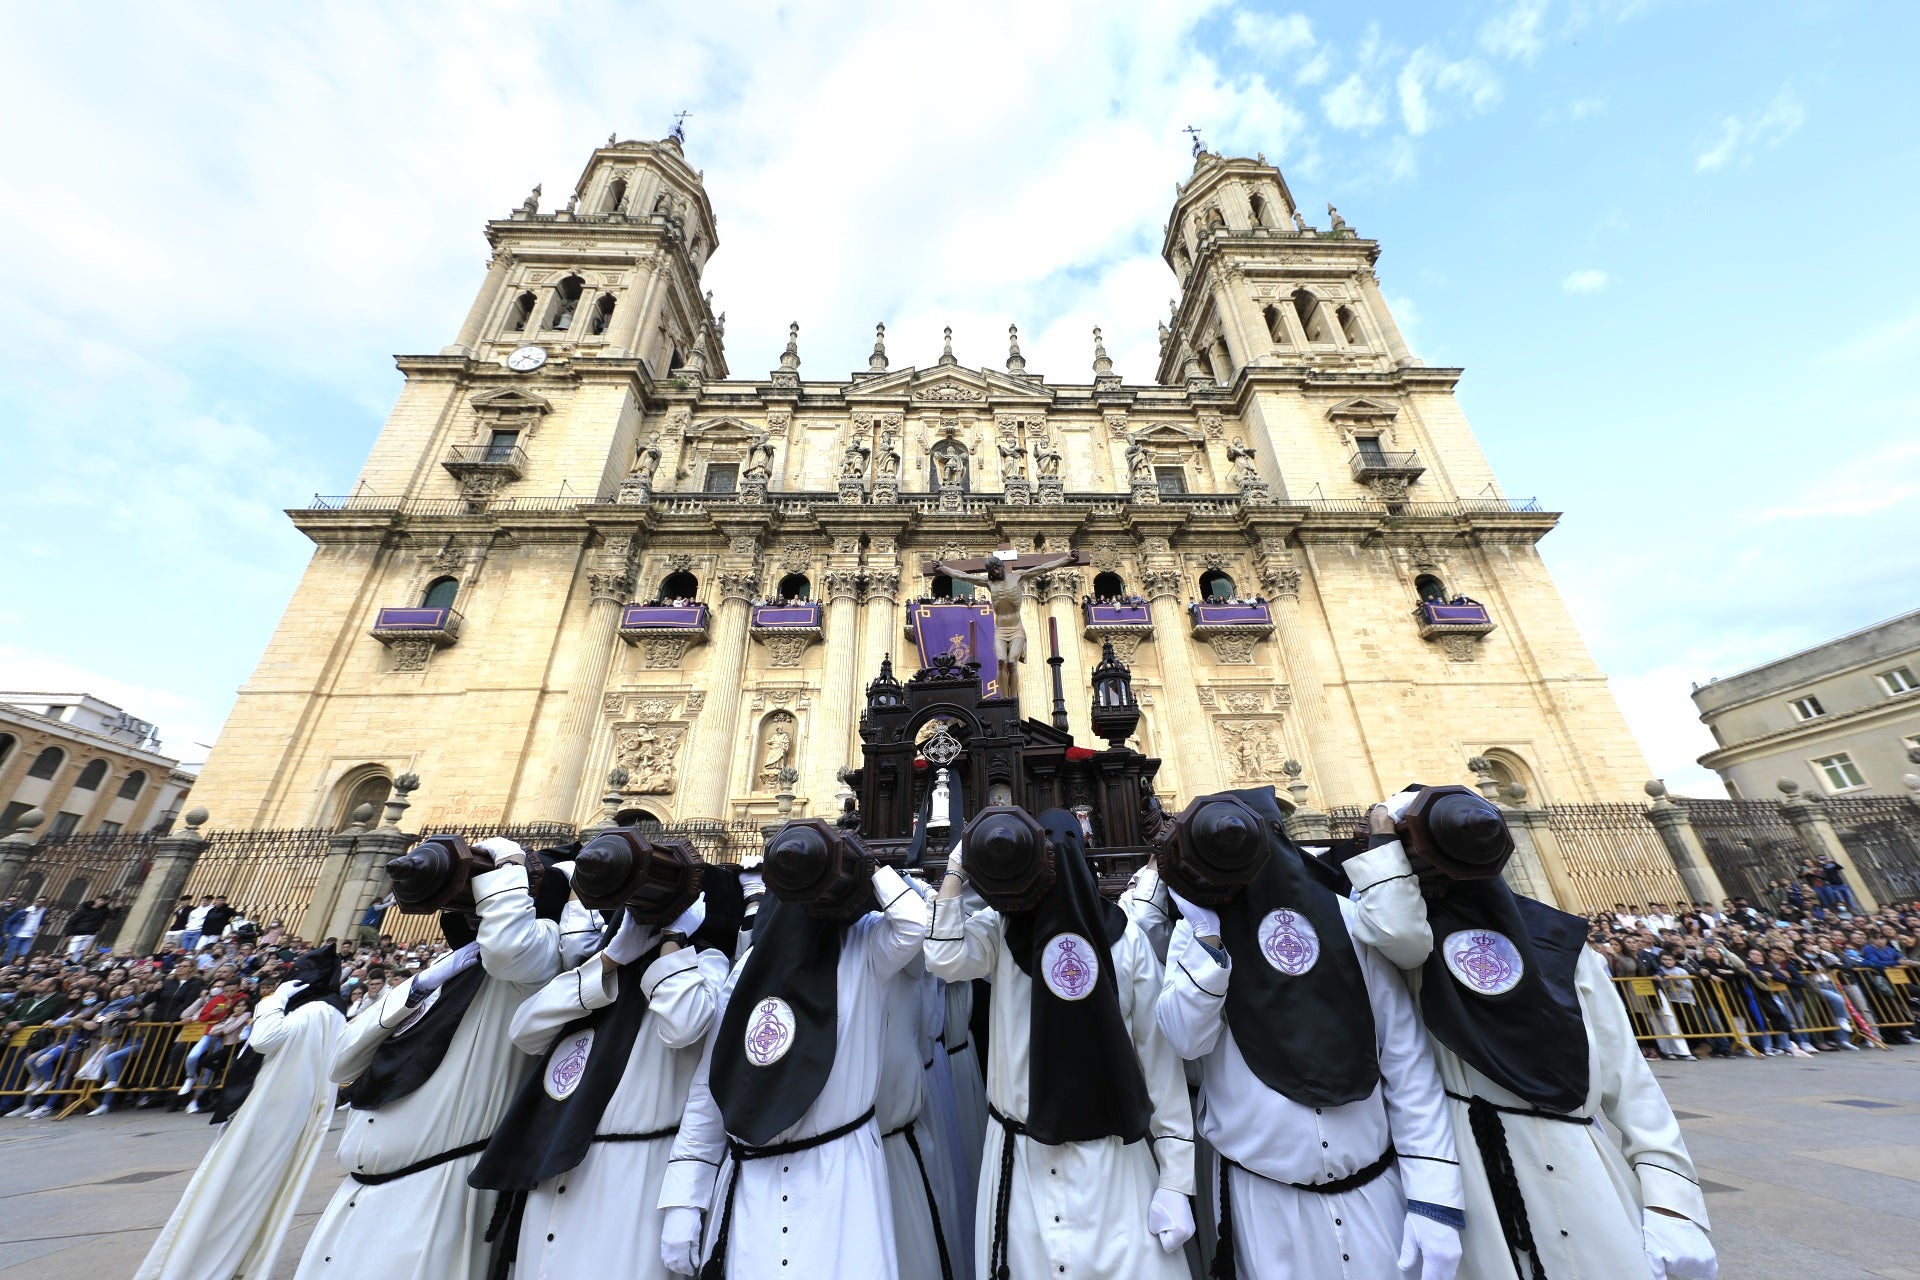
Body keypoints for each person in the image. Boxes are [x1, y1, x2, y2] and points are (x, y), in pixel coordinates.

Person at [1345, 788, 1717, 1280]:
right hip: (1472, 1161)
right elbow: (1398, 932)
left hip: (1580, 1160)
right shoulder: (1407, 949)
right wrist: (1382, 847)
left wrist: (1673, 1203)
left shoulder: (1559, 941)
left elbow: (1628, 1077)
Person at [1154, 787, 1463, 1280]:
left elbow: (1404, 1057)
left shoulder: (1347, 919)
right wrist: (1208, 944)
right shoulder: (1197, 936)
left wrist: (1433, 1198)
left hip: (1375, 1191)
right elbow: (1186, 1040)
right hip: (1265, 1198)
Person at [926, 807, 1196, 1280]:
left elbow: (1157, 1059)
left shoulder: (1124, 937)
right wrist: (957, 866)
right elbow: (944, 956)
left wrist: (1176, 1180)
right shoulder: (1001, 929)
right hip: (1022, 1152)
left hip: (1111, 1159)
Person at [657, 822, 929, 1278]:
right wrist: (685, 1199)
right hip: (752, 1182)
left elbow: (913, 924)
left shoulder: (864, 947)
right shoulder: (745, 970)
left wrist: (860, 864)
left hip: (839, 1178)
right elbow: (711, 1085)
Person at [294, 836, 570, 1280]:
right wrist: (419, 987)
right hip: (355, 1200)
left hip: (435, 1193)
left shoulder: (533, 967)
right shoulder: (446, 973)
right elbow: (342, 1060)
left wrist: (512, 866)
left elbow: (507, 947)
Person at [468, 866, 736, 1278]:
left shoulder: (706, 964)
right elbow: (526, 1030)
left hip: (633, 1174)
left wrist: (673, 943)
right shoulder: (601, 969)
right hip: (558, 1157)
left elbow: (682, 1025)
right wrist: (611, 958)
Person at [134, 945, 348, 1280]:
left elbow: (265, 1039)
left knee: (229, 1188)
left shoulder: (312, 1011)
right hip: (286, 1113)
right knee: (250, 1191)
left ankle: (199, 1265)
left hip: (269, 1113)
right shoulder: (333, 1012)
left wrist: (271, 1001)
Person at [929, 550, 1075, 700]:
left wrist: (1065, 559)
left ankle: (1012, 699)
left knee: (1012, 662)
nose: (996, 572)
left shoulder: (1017, 576)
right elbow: (964, 576)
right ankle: (1004, 700)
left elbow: (1044, 568)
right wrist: (943, 568)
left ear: (1002, 566)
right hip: (1000, 630)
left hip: (1016, 629)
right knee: (1001, 661)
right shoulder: (988, 583)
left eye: (997, 568)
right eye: (992, 570)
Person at [63, 896, 114, 961]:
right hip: (78, 933)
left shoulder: (104, 911)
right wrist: (68, 933)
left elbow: (111, 916)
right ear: (96, 899)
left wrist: (117, 908)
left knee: (80, 951)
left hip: (91, 933)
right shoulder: (85, 909)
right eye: (101, 900)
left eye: (104, 901)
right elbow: (72, 920)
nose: (102, 902)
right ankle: (63, 964)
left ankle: (71, 965)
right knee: (71, 951)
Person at [4, 895, 48, 963]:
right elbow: (8, 921)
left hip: (28, 936)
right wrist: (6, 932)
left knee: (23, 954)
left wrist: (47, 921)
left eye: (42, 902)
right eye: (38, 901)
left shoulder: (43, 912)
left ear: (45, 904)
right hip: (16, 935)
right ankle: (3, 968)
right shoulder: (24, 911)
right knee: (9, 954)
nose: (40, 903)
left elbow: (39, 922)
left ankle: (16, 968)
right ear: (35, 901)